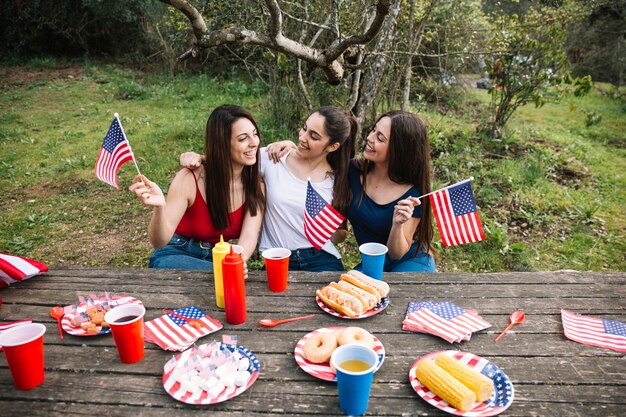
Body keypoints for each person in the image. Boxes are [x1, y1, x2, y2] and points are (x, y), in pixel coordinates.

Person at [181, 106, 358, 272]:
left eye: (314, 136)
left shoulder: (337, 180)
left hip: (321, 258)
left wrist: (325, 229)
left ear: (333, 146)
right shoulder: (273, 157)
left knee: (331, 301)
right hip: (277, 257)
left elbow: (339, 234)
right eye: (304, 128)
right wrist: (200, 158)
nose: (303, 137)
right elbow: (229, 160)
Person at [266, 110, 436, 272]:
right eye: (373, 130)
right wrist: (291, 147)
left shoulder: (413, 192)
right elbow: (318, 153)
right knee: (345, 291)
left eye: (380, 138)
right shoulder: (351, 171)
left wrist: (398, 224)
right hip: (372, 261)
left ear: (399, 150)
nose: (369, 138)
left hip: (410, 261)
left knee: (398, 295)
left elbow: (396, 253)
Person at [129, 105, 265, 271]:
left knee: (228, 281)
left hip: (217, 258)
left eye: (255, 134)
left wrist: (237, 262)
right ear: (222, 144)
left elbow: (249, 236)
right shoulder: (190, 178)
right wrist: (160, 207)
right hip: (176, 253)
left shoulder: (255, 185)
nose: (254, 143)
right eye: (243, 138)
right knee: (219, 277)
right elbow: (159, 242)